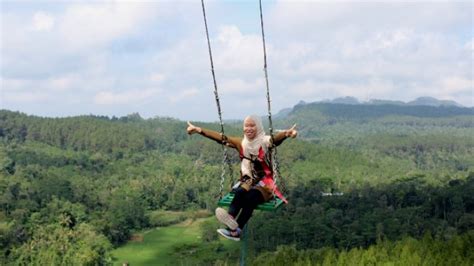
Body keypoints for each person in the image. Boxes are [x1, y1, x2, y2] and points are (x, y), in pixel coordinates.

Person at [187, 115, 297, 241]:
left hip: (265, 184)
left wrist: (286, 134)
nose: (248, 128)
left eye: (252, 125)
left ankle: (235, 231)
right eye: (246, 126)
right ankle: (231, 220)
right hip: (248, 180)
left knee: (250, 198)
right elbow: (221, 138)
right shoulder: (241, 143)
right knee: (240, 192)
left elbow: (275, 140)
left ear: (259, 127)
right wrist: (198, 130)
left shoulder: (265, 141)